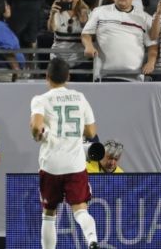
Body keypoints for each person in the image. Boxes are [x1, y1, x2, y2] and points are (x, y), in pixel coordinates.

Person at [30, 58, 100, 249]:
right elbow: (92, 132)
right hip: (75, 165)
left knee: (49, 213)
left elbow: (36, 127)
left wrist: (38, 134)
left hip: (51, 164)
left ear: (47, 77)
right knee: (80, 210)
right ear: (68, 77)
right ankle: (92, 240)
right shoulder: (80, 97)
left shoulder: (41, 99)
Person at [81, 0, 158, 79]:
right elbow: (86, 34)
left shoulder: (144, 17)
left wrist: (151, 62)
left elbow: (152, 45)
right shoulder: (99, 11)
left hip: (134, 78)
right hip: (104, 76)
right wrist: (88, 46)